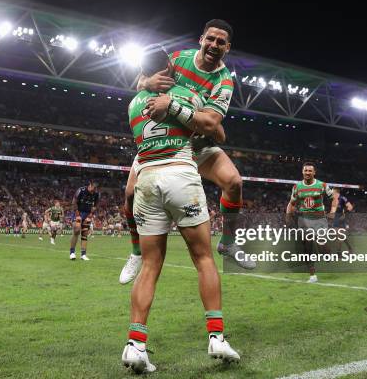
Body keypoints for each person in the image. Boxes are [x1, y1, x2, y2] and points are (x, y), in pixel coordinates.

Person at [121, 47, 240, 373]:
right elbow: (216, 131)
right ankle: (216, 336)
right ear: (170, 65)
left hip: (147, 178)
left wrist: (148, 86)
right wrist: (182, 108)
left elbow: (144, 95)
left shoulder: (132, 104)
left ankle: (135, 344)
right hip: (179, 174)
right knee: (203, 258)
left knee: (150, 266)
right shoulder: (187, 93)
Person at [119, 19, 255, 285]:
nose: (214, 45)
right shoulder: (178, 59)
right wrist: (147, 80)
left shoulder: (224, 81)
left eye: (220, 42)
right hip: (162, 142)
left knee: (234, 182)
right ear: (201, 39)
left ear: (228, 48)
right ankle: (135, 252)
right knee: (130, 194)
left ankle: (228, 243)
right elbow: (140, 84)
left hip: (197, 143)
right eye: (210, 39)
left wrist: (174, 106)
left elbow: (213, 125)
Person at [286, 162, 334, 283]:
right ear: (302, 172)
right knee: (307, 247)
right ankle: (312, 275)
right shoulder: (297, 187)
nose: (307, 173)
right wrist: (288, 216)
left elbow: (334, 198)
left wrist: (332, 211)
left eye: (310, 171)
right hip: (304, 219)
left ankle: (327, 254)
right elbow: (291, 203)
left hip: (319, 219)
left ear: (314, 172)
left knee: (322, 247)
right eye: (305, 170)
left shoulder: (322, 185)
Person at [70, 181, 99, 261]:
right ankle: (72, 252)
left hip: (87, 214)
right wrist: (78, 215)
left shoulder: (96, 194)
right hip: (78, 212)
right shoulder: (81, 190)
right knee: (76, 230)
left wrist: (90, 215)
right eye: (93, 188)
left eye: (95, 189)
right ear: (90, 185)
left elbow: (96, 205)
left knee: (85, 233)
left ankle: (83, 255)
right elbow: (74, 202)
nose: (94, 191)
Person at [330, 188, 354, 253]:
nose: (331, 192)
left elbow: (350, 207)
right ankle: (350, 248)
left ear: (336, 192)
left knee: (339, 236)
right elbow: (332, 212)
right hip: (335, 219)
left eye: (332, 191)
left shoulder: (343, 198)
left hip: (341, 219)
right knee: (340, 236)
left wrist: (344, 214)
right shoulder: (333, 200)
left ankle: (339, 252)